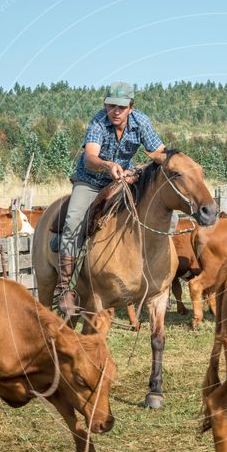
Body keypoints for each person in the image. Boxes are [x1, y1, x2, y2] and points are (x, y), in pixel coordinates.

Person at [54, 81, 168, 317]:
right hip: (90, 181)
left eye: (121, 107)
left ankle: (146, 273)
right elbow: (90, 157)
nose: (115, 111)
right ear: (105, 105)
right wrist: (108, 166)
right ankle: (65, 286)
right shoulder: (98, 121)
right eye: (111, 105)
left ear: (131, 107)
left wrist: (142, 168)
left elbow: (160, 153)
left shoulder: (141, 122)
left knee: (149, 213)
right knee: (74, 220)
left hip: (123, 181)